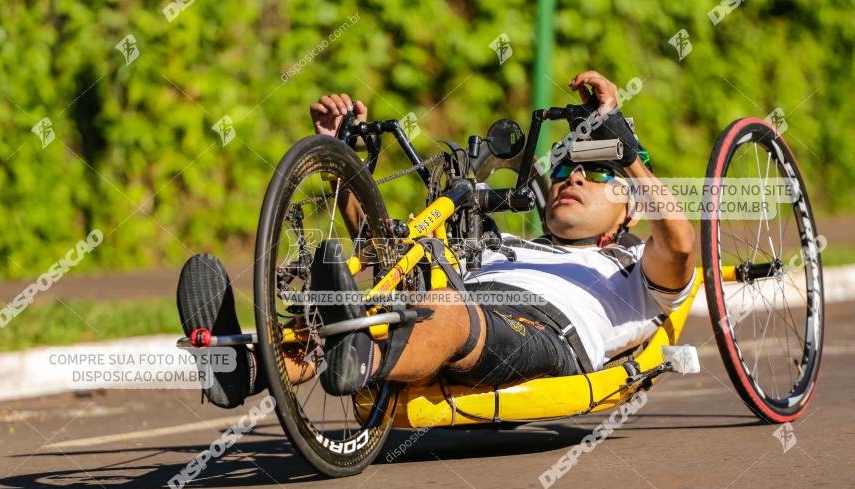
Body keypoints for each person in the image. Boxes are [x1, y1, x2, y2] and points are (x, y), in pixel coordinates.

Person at [176, 70, 695, 407]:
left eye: (598, 174)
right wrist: (342, 160)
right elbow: (383, 253)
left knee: (441, 308)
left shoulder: (632, 267)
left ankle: (362, 356)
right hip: (451, 305)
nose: (574, 178)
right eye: (563, 171)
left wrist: (623, 148)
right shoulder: (502, 245)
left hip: (543, 334)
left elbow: (681, 246)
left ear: (630, 208)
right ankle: (243, 370)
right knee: (398, 276)